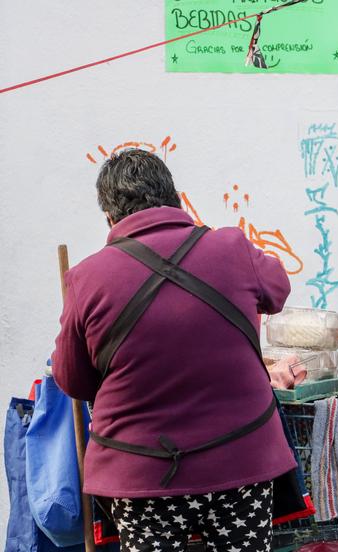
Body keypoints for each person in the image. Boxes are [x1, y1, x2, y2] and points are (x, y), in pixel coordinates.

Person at [52, 149, 295, 551]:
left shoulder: (85, 279)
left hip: (141, 478)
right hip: (242, 464)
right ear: (177, 199)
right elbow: (278, 290)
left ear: (110, 218)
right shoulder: (232, 248)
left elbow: (73, 380)